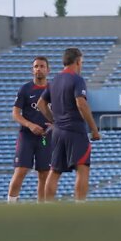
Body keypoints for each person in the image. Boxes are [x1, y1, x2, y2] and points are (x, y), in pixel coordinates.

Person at [37, 47, 101, 202]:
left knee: (55, 171)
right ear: (78, 61)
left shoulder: (54, 80)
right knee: (82, 169)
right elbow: (81, 103)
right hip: (75, 130)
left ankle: (48, 207)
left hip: (58, 131)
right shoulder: (77, 79)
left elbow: (41, 104)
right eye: (82, 62)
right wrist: (94, 129)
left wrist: (54, 121)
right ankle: (79, 207)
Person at [8, 56, 52, 203]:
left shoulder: (54, 89)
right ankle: (10, 206)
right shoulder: (25, 89)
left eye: (41, 66)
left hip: (46, 138)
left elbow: (61, 112)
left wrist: (55, 125)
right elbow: (15, 113)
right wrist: (30, 125)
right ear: (32, 70)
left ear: (48, 69)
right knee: (21, 170)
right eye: (36, 66)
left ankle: (42, 210)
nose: (38, 69)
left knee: (44, 174)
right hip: (27, 136)